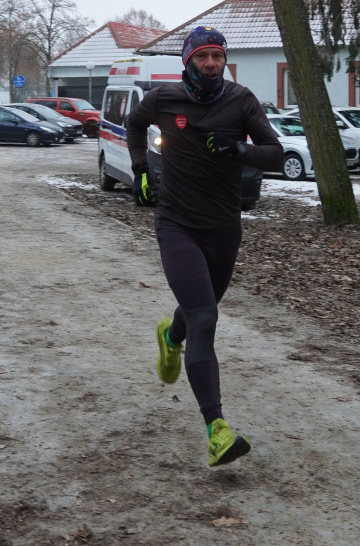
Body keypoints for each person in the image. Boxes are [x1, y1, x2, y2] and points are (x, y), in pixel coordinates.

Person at [125, 26, 283, 466]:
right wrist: (141, 169)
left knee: (200, 309)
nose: (211, 64)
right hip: (177, 225)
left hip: (224, 227)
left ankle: (169, 335)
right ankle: (217, 430)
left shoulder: (241, 100)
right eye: (202, 57)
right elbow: (134, 125)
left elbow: (275, 152)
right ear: (187, 61)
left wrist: (238, 149)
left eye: (217, 56)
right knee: (205, 317)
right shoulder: (163, 99)